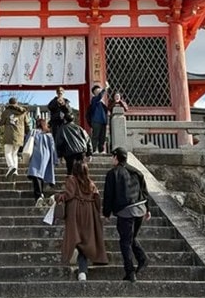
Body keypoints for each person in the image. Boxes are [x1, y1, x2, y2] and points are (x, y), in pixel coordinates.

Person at [103, 146, 151, 282]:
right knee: (130, 237)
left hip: (126, 211)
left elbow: (108, 195)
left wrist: (106, 213)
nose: (112, 159)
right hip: (139, 209)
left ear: (116, 157)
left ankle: (130, 271)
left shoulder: (113, 173)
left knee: (125, 241)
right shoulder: (136, 172)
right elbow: (144, 191)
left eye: (113, 157)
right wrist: (148, 209)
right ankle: (142, 258)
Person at [55, 160, 108, 281]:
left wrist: (57, 196)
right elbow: (98, 198)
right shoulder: (90, 183)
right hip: (89, 212)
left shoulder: (71, 180)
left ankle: (82, 270)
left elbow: (68, 194)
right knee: (85, 239)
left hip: (75, 212)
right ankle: (83, 270)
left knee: (76, 239)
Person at [26, 118, 58, 208]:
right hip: (46, 155)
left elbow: (27, 142)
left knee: (36, 174)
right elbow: (53, 148)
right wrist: (55, 159)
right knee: (41, 174)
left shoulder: (33, 132)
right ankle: (40, 194)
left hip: (36, 154)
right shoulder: (49, 135)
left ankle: (39, 196)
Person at [0, 97, 30, 178]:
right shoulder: (23, 112)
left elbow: (1, 122)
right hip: (19, 135)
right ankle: (15, 171)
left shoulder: (6, 112)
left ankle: (11, 167)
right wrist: (28, 133)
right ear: (17, 103)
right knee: (15, 154)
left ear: (9, 103)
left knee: (8, 153)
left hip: (9, 135)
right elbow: (27, 124)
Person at [87, 83, 110, 153]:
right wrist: (105, 89)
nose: (99, 92)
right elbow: (100, 96)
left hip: (103, 121)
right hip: (96, 121)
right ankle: (94, 150)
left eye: (99, 91)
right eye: (97, 91)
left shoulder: (102, 103)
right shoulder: (94, 100)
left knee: (102, 137)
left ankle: (101, 150)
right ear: (94, 93)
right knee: (95, 136)